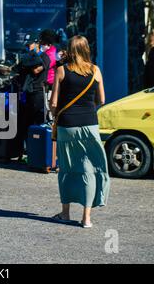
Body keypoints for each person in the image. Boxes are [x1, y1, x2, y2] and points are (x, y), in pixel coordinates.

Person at [50, 35, 110, 228]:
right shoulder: (95, 70)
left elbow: (53, 102)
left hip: (67, 125)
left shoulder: (61, 70)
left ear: (70, 49)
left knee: (67, 169)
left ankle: (65, 213)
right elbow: (102, 99)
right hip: (89, 124)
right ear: (86, 49)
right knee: (89, 169)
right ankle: (87, 218)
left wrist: (55, 115)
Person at [17, 50, 50, 163]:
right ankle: (30, 153)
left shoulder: (44, 58)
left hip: (36, 96)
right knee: (29, 125)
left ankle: (34, 153)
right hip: (32, 96)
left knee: (35, 125)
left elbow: (37, 70)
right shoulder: (40, 58)